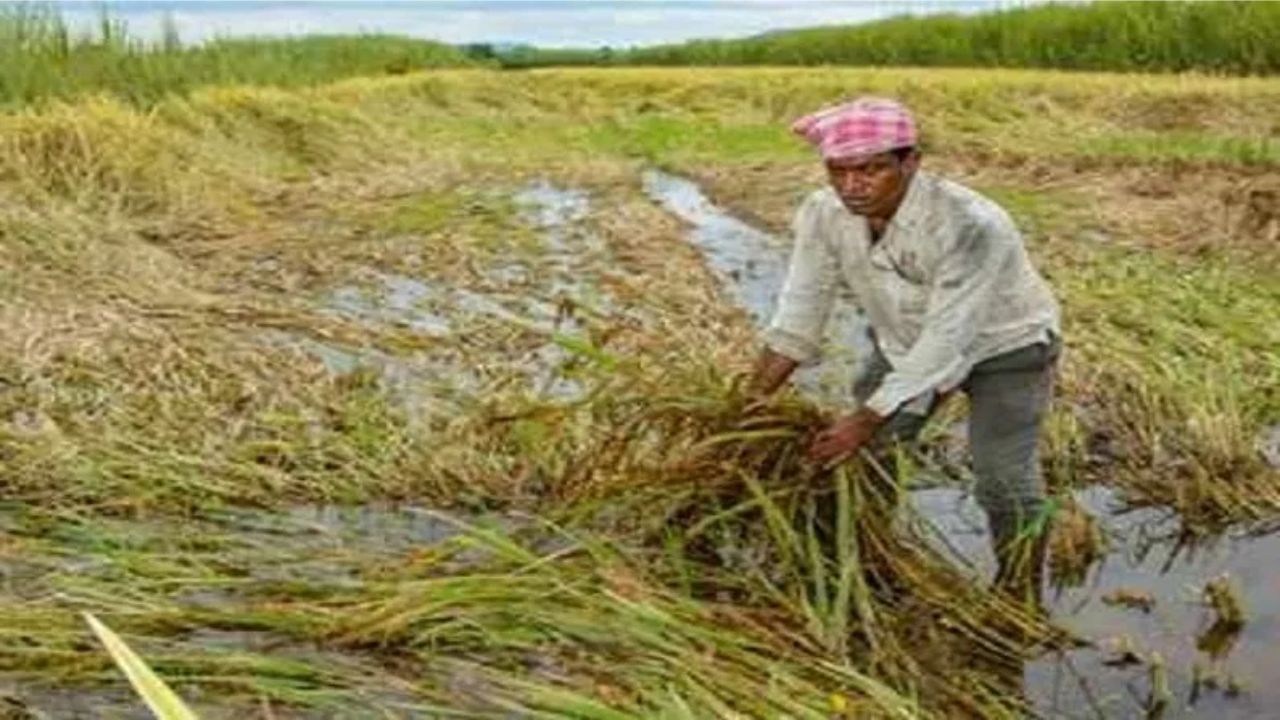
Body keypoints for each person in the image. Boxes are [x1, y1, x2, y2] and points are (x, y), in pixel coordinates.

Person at [747, 97, 1061, 602]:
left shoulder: (971, 224)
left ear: (910, 161)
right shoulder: (823, 213)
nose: (853, 186)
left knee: (1004, 479)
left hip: (1006, 347)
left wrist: (865, 418)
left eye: (871, 170)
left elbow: (948, 339)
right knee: (867, 459)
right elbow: (801, 308)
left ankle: (1019, 593)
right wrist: (750, 401)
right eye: (839, 171)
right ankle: (866, 562)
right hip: (904, 342)